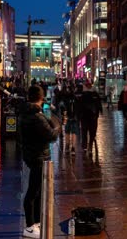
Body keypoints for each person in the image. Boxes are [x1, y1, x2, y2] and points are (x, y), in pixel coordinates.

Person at [18, 86, 60, 239]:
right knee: (34, 191)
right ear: (41, 98)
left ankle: (36, 222)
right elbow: (51, 135)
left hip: (31, 154)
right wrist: (57, 127)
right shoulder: (36, 116)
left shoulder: (25, 113)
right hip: (39, 156)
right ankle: (30, 226)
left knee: (38, 190)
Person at [79, 82, 102, 151]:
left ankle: (85, 146)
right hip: (93, 116)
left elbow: (79, 105)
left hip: (85, 116)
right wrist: (99, 111)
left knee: (84, 131)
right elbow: (98, 104)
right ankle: (90, 146)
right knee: (92, 131)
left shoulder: (82, 94)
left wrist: (79, 114)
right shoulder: (95, 94)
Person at [62, 86, 78, 154]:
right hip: (73, 117)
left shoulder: (65, 98)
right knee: (72, 132)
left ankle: (68, 147)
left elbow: (63, 107)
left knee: (67, 132)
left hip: (68, 117)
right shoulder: (75, 98)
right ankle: (72, 148)